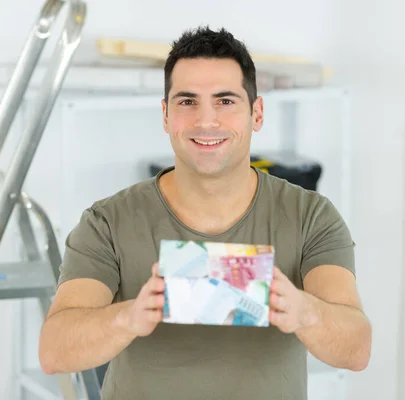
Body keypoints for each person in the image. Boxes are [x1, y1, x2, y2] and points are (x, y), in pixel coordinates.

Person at [38, 26, 371, 400]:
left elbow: (357, 350)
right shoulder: (108, 222)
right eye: (187, 101)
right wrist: (128, 317)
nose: (206, 120)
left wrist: (304, 311)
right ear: (165, 115)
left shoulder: (311, 216)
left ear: (256, 113)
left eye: (225, 101)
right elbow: (54, 352)